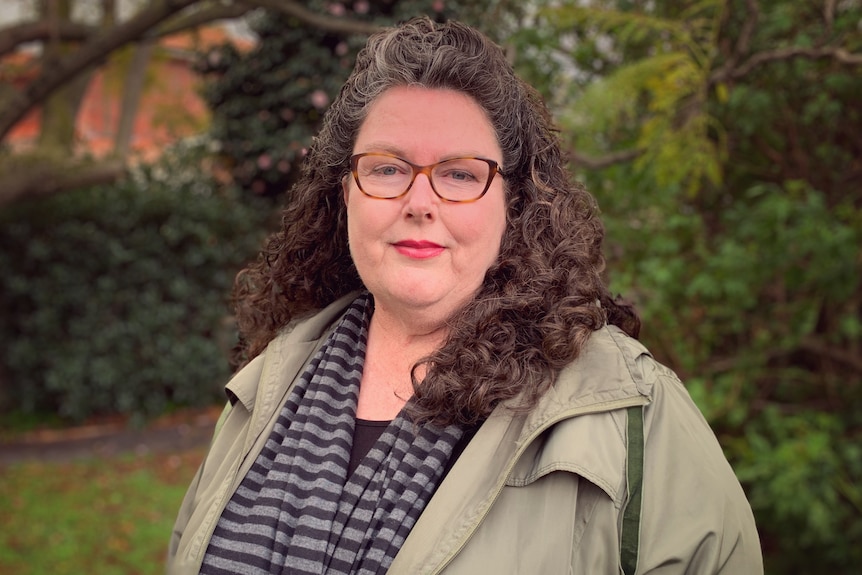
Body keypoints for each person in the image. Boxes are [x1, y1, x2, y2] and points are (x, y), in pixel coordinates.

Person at [167, 16, 762, 575]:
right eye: (387, 167)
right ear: (343, 192)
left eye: (459, 173)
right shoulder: (268, 385)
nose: (419, 201)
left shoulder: (630, 409)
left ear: (515, 205)